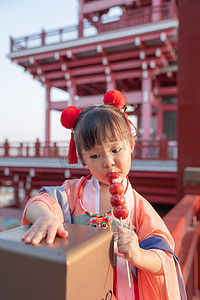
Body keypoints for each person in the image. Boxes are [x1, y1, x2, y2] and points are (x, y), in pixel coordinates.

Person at [21, 90, 187, 300]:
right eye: (95, 155)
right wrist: (45, 216)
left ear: (131, 145)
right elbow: (40, 201)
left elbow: (164, 258)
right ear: (83, 159)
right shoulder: (74, 192)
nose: (107, 161)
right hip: (80, 289)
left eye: (116, 150)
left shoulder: (138, 205)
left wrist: (139, 254)